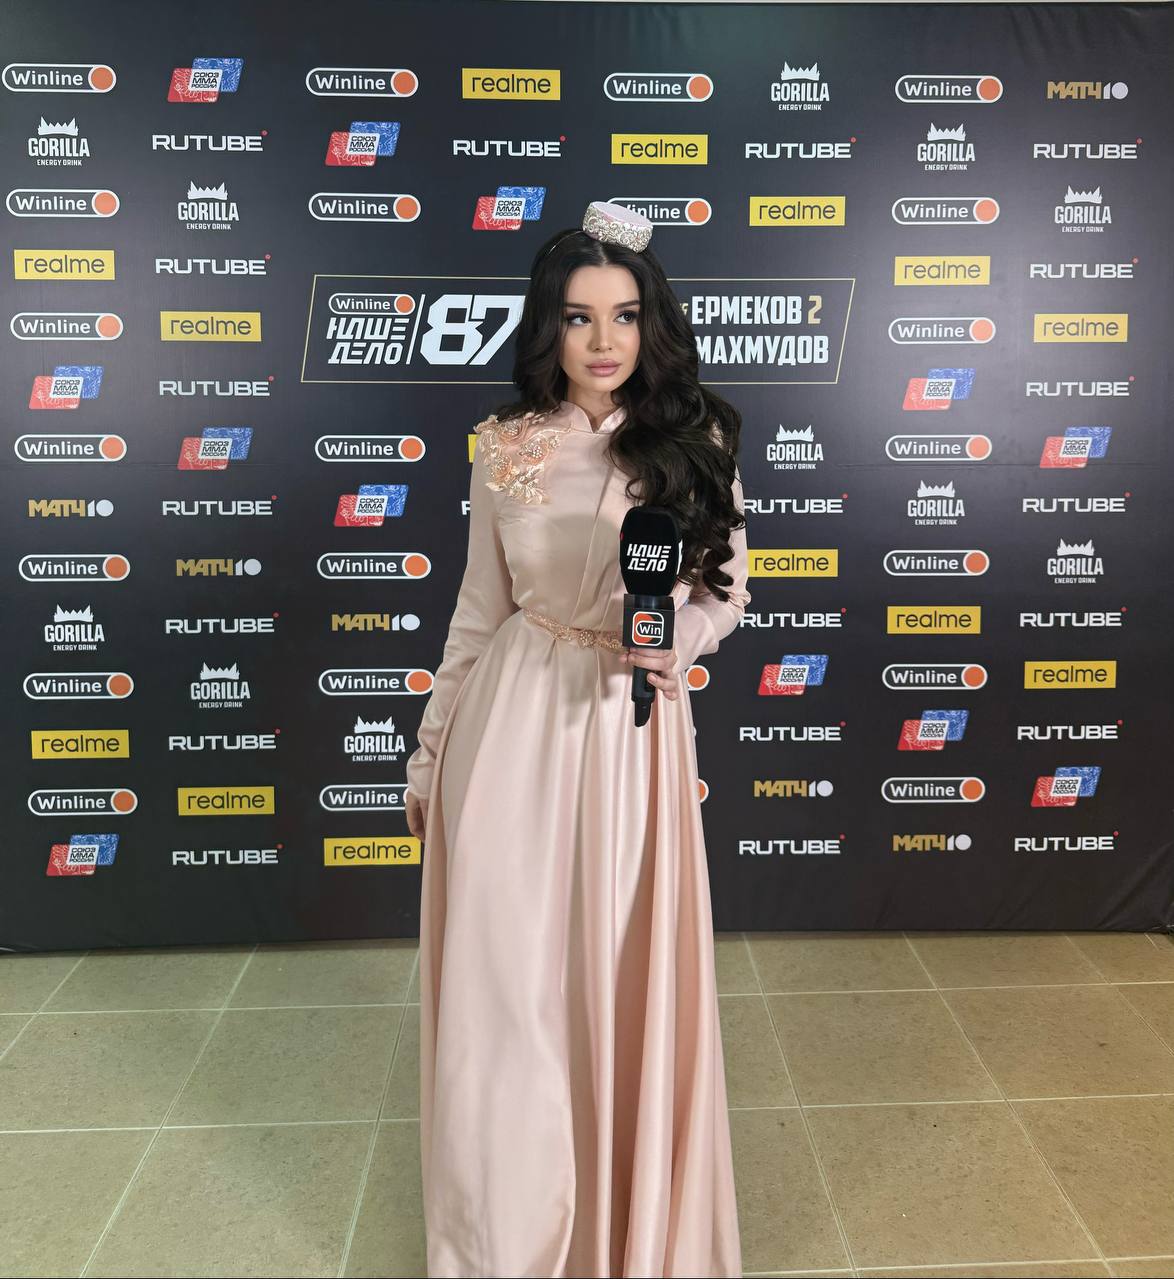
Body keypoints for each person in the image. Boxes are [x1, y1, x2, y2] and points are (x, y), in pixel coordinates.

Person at [403, 200, 749, 1278]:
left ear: (652, 323)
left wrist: (676, 642)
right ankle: (507, 1241)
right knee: (506, 990)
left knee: (614, 980)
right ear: (547, 326)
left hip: (630, 735)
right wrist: (430, 750)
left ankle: (621, 1228)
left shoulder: (699, 441)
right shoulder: (503, 443)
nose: (604, 341)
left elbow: (725, 592)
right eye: (579, 317)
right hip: (511, 729)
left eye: (625, 315)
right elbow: (477, 610)